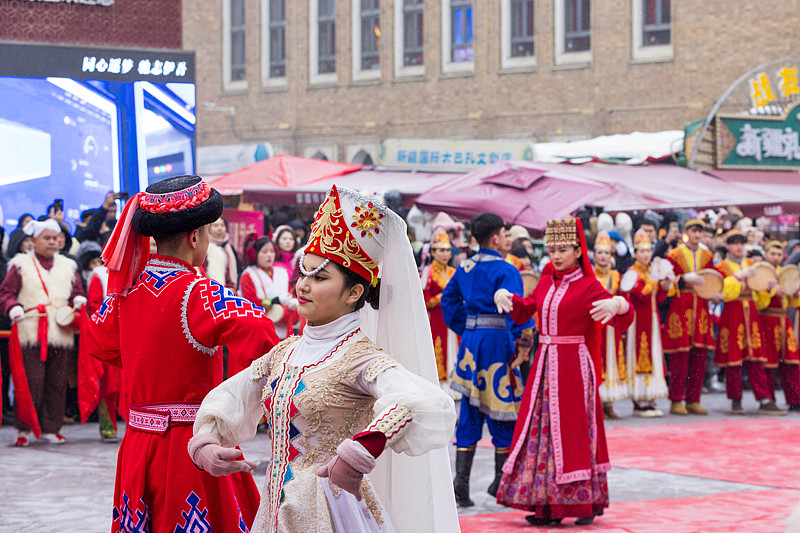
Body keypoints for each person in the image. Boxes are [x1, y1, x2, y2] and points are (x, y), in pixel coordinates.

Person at [189, 185, 459, 533]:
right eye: (304, 273)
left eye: (320, 277)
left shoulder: (361, 358)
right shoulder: (284, 352)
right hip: (275, 509)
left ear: (354, 293)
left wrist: (363, 449)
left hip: (335, 513)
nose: (303, 285)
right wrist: (206, 440)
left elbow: (425, 403)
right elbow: (234, 393)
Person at [83, 175, 280, 533]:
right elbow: (264, 337)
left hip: (138, 442)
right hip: (193, 445)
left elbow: (99, 340)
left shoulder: (122, 296)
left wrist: (148, 364)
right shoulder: (201, 293)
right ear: (195, 237)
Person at [493, 217, 633, 526]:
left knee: (572, 433)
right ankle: (546, 504)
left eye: (564, 249)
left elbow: (622, 316)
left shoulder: (589, 284)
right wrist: (507, 298)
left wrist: (620, 305)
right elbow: (526, 308)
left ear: (578, 251)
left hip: (573, 366)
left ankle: (582, 501)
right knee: (542, 433)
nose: (556, 255)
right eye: (553, 249)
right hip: (545, 364)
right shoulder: (546, 278)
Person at [441, 212, 534, 506]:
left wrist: (464, 327)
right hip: (497, 343)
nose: (509, 239)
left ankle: (461, 485)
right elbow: (517, 312)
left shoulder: (465, 266)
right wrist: (523, 341)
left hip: (471, 341)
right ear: (496, 238)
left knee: (470, 410)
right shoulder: (508, 271)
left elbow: (448, 301)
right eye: (506, 234)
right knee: (503, 406)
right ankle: (500, 482)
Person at [0, 218, 86, 446]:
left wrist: (78, 299)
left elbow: (76, 290)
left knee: (57, 384)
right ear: (35, 240)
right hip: (30, 332)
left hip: (61, 333)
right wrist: (13, 307)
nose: (51, 242)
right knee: (30, 383)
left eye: (55, 238)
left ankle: (51, 428)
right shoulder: (19, 265)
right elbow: (6, 294)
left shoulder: (68, 265)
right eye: (46, 238)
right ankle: (23, 428)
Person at [714, 229, 785, 415]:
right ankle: (735, 400)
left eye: (741, 242)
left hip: (752, 312)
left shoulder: (753, 263)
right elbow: (724, 293)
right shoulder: (721, 268)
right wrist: (739, 276)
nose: (739, 246)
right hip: (733, 312)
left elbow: (761, 295)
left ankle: (764, 399)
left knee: (756, 358)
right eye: (734, 243)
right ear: (728, 245)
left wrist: (768, 288)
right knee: (733, 359)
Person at [662, 218, 716, 415]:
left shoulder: (707, 255)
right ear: (686, 232)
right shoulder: (674, 255)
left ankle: (693, 400)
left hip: (701, 306)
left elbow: (713, 279)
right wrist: (683, 280)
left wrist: (714, 292)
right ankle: (676, 400)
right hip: (681, 306)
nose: (697, 235)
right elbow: (665, 283)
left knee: (699, 356)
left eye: (700, 231)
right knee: (680, 357)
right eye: (693, 230)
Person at [623, 230, 669, 417]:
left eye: (648, 251)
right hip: (638, 321)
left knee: (654, 354)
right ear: (635, 254)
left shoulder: (651, 271)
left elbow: (659, 298)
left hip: (652, 319)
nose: (646, 254)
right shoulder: (632, 273)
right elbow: (641, 295)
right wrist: (654, 280)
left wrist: (665, 284)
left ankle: (650, 398)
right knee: (641, 354)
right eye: (641, 251)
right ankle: (640, 400)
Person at [757, 241, 800, 411]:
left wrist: (795, 293)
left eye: (778, 254)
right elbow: (758, 302)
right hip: (767, 320)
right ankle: (770, 401)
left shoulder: (786, 273)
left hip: (784, 322)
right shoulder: (760, 273)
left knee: (792, 360)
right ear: (766, 254)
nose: (776, 257)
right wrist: (770, 291)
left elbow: (794, 300)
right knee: (769, 363)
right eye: (772, 253)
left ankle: (796, 399)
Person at [593, 232, 628, 420]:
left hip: (612, 326)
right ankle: (597, 402)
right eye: (599, 252)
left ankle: (609, 403)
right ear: (594, 255)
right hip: (596, 325)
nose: (603, 256)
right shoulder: (589, 275)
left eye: (607, 252)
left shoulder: (616, 276)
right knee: (598, 360)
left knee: (612, 359)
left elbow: (624, 299)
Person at [239, 237, 299, 345]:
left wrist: (292, 301)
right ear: (255, 254)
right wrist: (275, 301)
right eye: (264, 251)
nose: (269, 255)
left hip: (283, 325)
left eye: (272, 251)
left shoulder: (282, 272)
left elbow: (289, 292)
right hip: (259, 328)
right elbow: (250, 301)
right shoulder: (248, 275)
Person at [421, 230, 458, 392]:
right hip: (436, 321)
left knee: (454, 351)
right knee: (440, 352)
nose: (445, 254)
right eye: (441, 250)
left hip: (453, 320)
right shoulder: (427, 272)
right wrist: (443, 297)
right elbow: (423, 301)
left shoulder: (454, 272)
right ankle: (441, 390)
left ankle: (455, 389)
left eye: (448, 250)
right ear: (433, 252)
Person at [205, 216, 238, 289]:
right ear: (209, 228)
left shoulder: (229, 248)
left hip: (225, 290)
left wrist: (230, 287)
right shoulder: (204, 247)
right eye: (215, 225)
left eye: (222, 225)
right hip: (209, 289)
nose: (219, 228)